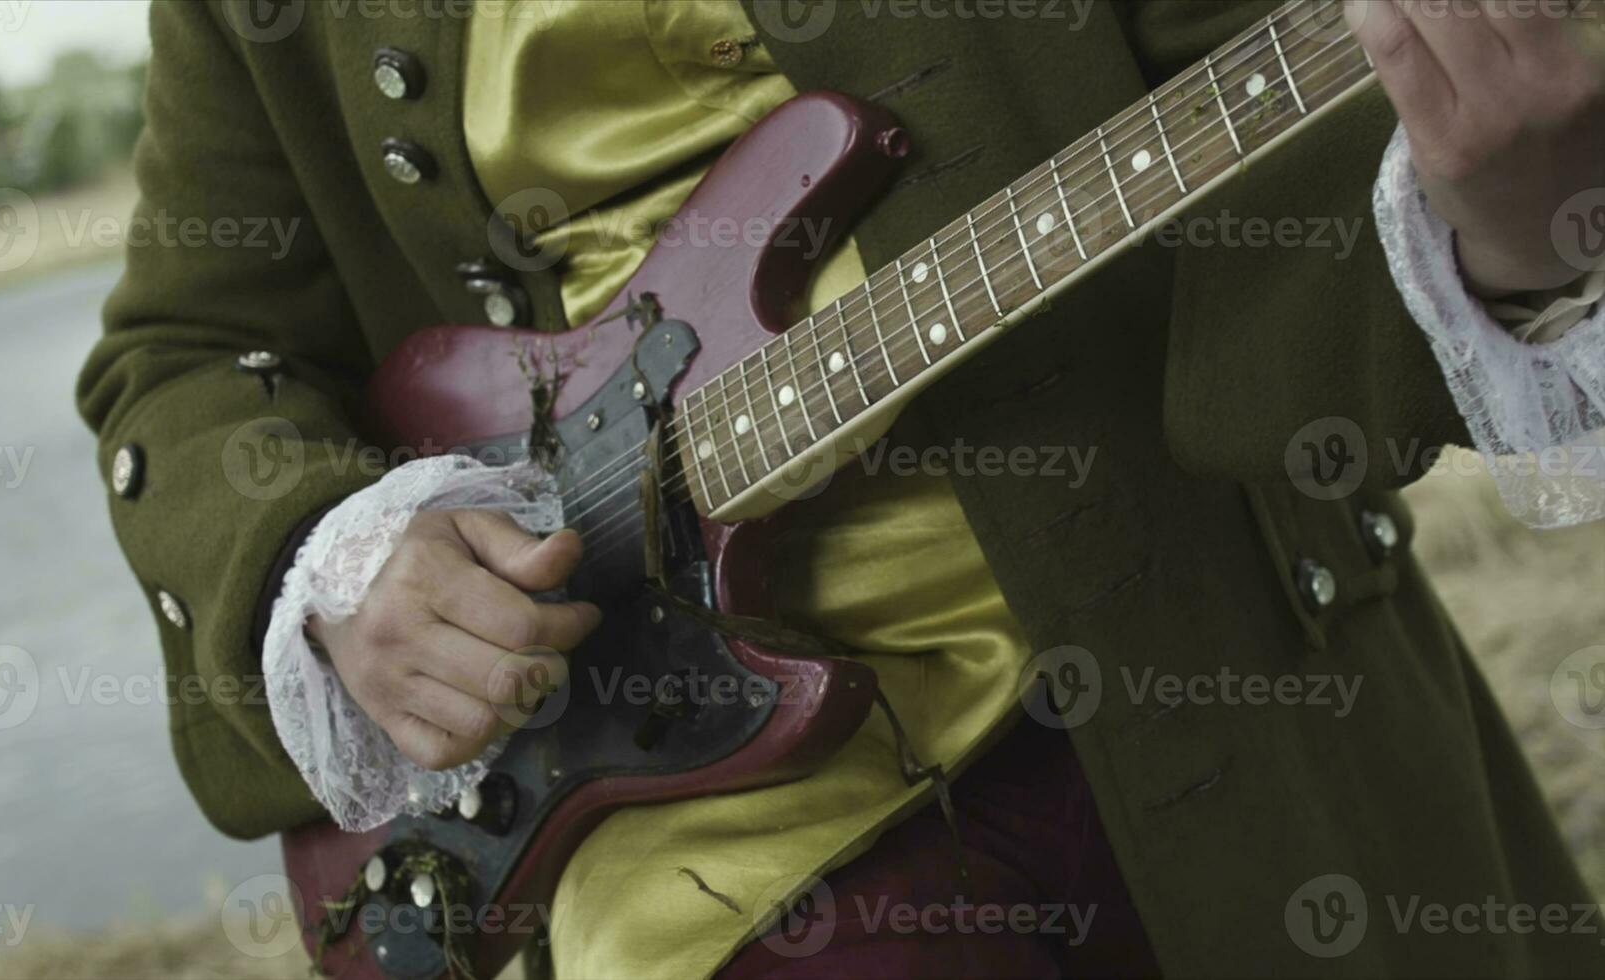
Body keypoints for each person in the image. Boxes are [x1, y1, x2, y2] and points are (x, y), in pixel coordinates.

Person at [79, 1, 1604, 976]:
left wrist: (1517, 216)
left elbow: (1293, 98)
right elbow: (193, 349)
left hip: (1191, 643)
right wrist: (341, 571)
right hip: (664, 779)